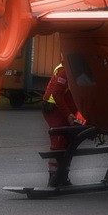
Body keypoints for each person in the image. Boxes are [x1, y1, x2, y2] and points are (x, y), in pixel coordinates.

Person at [42, 58, 82, 187]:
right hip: (54, 109)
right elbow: (57, 95)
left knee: (69, 142)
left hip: (65, 109)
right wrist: (69, 114)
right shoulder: (65, 71)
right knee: (58, 143)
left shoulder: (77, 69)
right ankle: (53, 178)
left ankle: (63, 176)